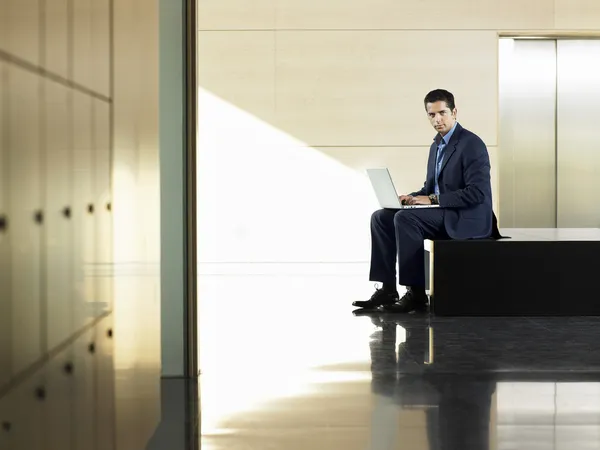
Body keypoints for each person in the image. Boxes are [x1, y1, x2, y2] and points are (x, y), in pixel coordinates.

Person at [353, 89, 496, 314]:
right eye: (432, 115)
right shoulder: (436, 146)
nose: (437, 119)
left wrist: (431, 199)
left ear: (454, 112)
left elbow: (477, 193)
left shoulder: (471, 144)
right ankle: (387, 289)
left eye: (442, 113)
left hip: (466, 217)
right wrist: (411, 198)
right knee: (381, 217)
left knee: (405, 219)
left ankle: (416, 293)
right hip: (442, 210)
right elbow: (432, 189)